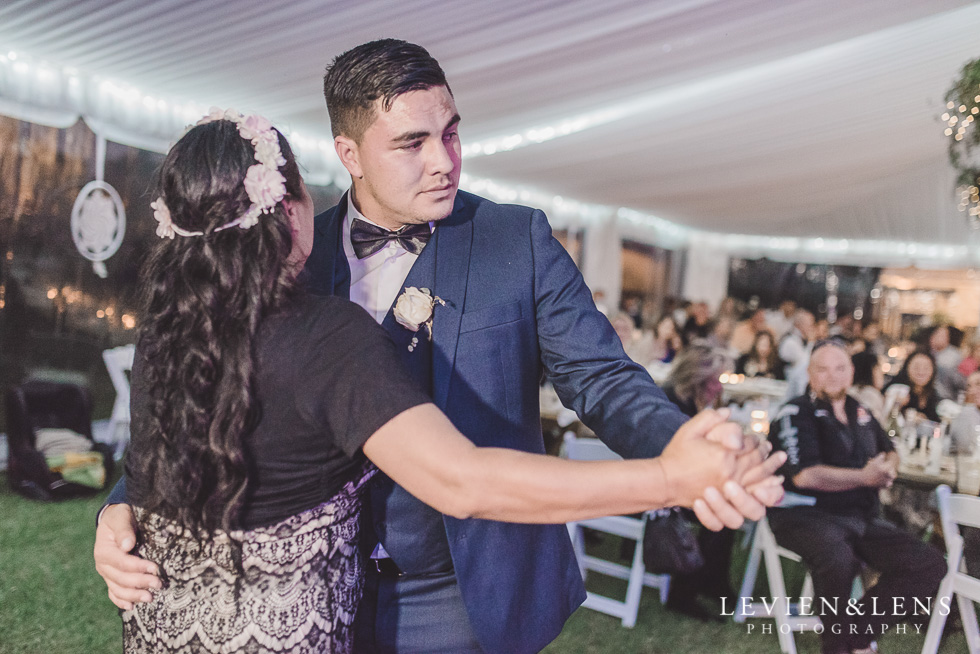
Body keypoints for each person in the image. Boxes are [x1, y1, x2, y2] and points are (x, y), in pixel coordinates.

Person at [95, 40, 784, 654]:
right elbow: (209, 390)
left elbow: (601, 378)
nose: (443, 161)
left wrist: (689, 452)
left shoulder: (517, 240)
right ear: (349, 154)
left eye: (451, 134)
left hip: (463, 587)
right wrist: (123, 502)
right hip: (317, 592)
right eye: (411, 142)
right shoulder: (282, 254)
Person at [768, 340, 946, 654]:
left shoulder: (859, 410)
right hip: (803, 515)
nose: (832, 376)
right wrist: (864, 477)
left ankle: (855, 634)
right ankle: (837, 647)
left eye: (840, 368)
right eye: (822, 369)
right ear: (810, 373)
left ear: (851, 372)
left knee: (928, 563)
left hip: (858, 517)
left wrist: (888, 467)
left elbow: (889, 450)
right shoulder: (796, 411)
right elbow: (805, 475)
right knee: (839, 557)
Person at [661, 345, 740, 621]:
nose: (720, 388)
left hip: (678, 480)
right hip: (656, 488)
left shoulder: (696, 402)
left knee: (727, 504)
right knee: (717, 508)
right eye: (718, 380)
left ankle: (711, 579)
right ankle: (684, 593)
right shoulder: (670, 403)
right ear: (698, 377)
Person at [885, 350, 941, 423]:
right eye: (916, 367)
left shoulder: (933, 395)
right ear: (907, 368)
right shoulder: (897, 388)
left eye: (926, 368)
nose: (921, 372)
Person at [929, 324, 965, 401]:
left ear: (948, 339)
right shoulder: (929, 352)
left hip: (945, 397)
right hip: (929, 394)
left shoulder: (954, 355)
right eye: (936, 334)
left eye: (942, 335)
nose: (937, 337)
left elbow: (959, 381)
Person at [849, 350, 885, 424]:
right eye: (878, 369)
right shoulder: (869, 394)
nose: (882, 374)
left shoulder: (850, 391)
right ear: (870, 370)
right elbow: (878, 425)